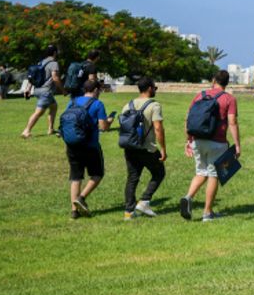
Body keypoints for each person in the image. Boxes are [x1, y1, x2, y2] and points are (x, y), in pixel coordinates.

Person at [181, 71, 240, 222]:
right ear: (227, 82)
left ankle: (188, 197)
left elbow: (188, 119)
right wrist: (237, 145)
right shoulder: (229, 99)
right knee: (214, 175)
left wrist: (188, 140)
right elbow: (232, 122)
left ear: (213, 80)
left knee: (201, 172)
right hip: (217, 142)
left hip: (197, 139)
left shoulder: (199, 95)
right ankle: (207, 213)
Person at [65, 79, 115, 218]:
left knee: (76, 177)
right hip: (90, 145)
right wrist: (109, 121)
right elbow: (103, 127)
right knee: (97, 174)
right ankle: (81, 198)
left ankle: (74, 212)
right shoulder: (98, 104)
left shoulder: (72, 102)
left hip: (72, 144)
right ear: (96, 90)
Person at [121, 77, 167, 220]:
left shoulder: (127, 105)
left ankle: (129, 212)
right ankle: (144, 201)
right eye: (154, 87)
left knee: (132, 178)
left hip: (130, 146)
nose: (155, 90)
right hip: (147, 148)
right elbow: (158, 128)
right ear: (149, 88)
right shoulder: (154, 105)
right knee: (159, 173)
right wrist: (163, 148)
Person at [21, 45, 64, 138]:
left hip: (37, 90)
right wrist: (63, 90)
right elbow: (55, 78)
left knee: (53, 106)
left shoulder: (41, 62)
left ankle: (50, 129)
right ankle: (26, 131)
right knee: (39, 112)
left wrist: (28, 89)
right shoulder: (54, 63)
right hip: (46, 91)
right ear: (55, 53)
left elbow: (33, 77)